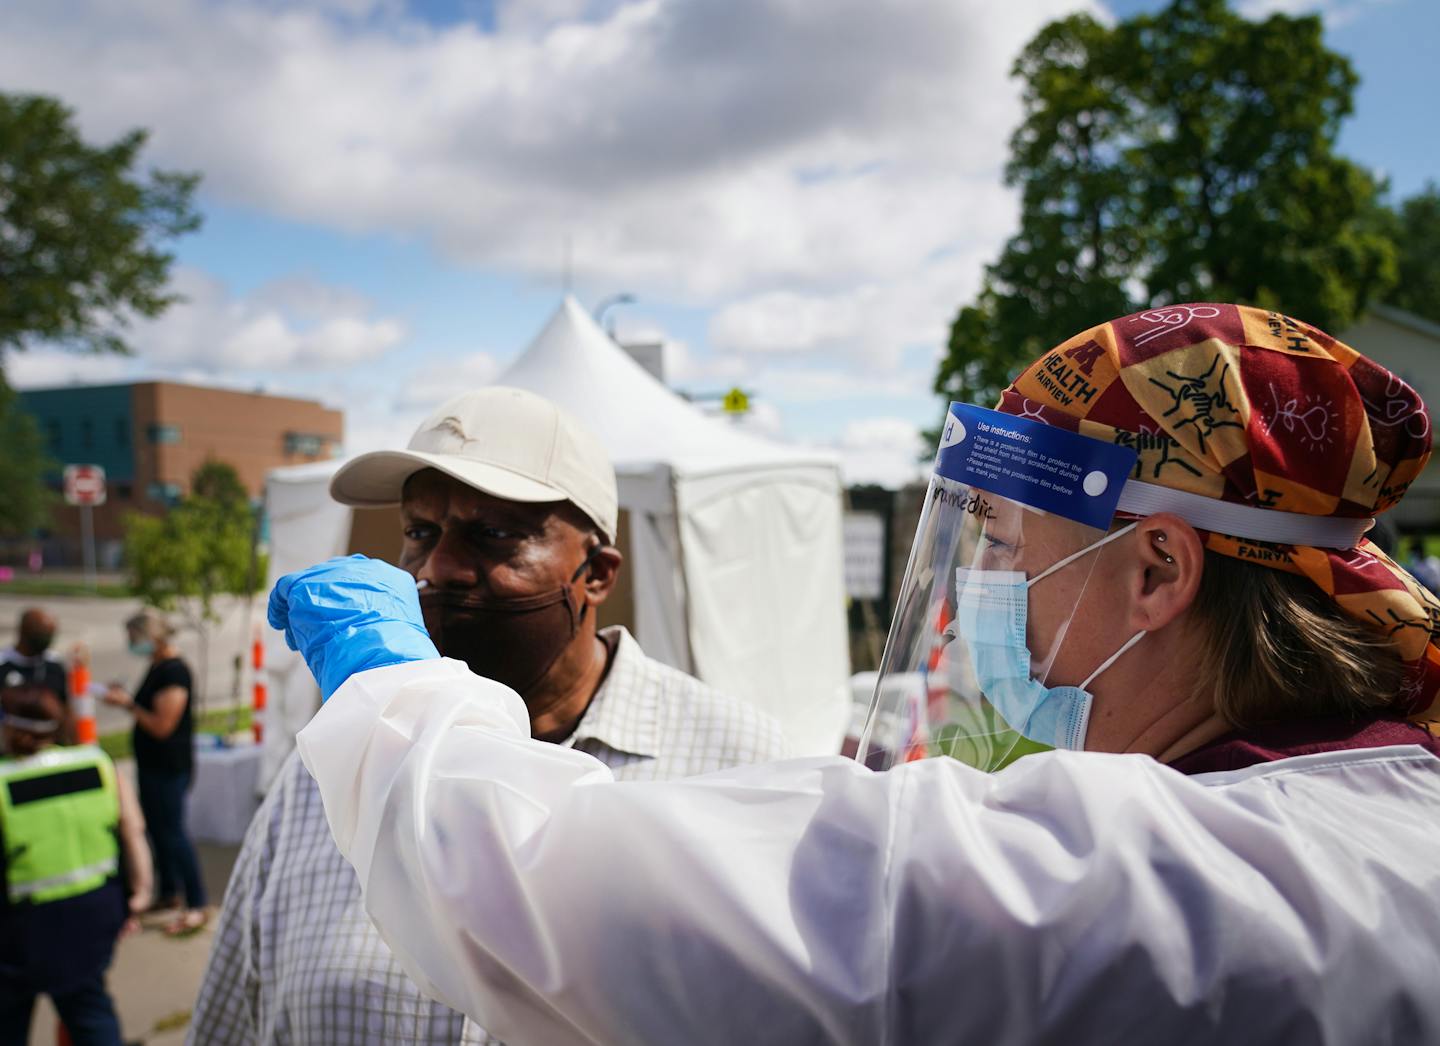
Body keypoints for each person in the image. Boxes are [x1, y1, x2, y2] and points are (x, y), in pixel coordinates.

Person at [276, 305, 1440, 1043]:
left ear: (1156, 570)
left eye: (1001, 543)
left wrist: (389, 685)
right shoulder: (1380, 818)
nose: (978, 589)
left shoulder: (1130, 878)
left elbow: (518, 885)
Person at [190, 387, 788, 1044]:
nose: (439, 569)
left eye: (495, 534)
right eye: (420, 533)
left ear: (597, 574)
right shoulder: (341, 755)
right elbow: (230, 1022)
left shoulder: (736, 759)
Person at [0, 684, 151, 1045]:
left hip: (23, 929)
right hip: (94, 915)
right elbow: (133, 831)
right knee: (89, 1011)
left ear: (16, 730)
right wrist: (140, 894)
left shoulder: (5, 780)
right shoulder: (96, 762)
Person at [102, 609, 206, 936]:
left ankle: (196, 902)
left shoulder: (174, 672)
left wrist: (128, 705)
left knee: (174, 834)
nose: (131, 644)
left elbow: (162, 725)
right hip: (152, 766)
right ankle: (169, 892)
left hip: (168, 767)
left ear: (153, 637)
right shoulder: (158, 666)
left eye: (135, 638)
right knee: (159, 833)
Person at [1, 608, 73, 745]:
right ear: (23, 631)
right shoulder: (3, 665)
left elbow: (66, 709)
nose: (46, 641)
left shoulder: (54, 664)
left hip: (50, 752)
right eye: (41, 636)